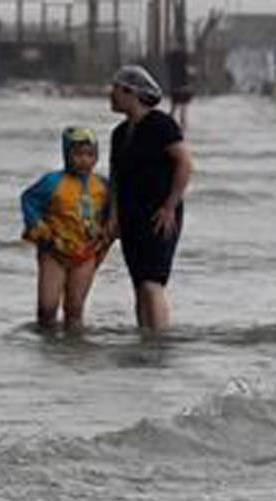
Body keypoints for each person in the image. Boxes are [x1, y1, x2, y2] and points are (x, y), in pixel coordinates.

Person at [107, 65, 193, 333]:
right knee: (138, 284)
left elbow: (184, 163)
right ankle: (144, 339)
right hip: (130, 216)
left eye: (116, 89)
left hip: (159, 215)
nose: (110, 95)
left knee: (151, 281)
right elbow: (115, 178)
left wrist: (170, 206)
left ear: (131, 92)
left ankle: (159, 342)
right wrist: (113, 216)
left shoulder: (161, 124)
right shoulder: (119, 133)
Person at [20, 127, 113, 331]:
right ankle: (48, 347)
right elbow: (28, 200)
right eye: (77, 154)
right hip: (54, 251)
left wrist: (107, 231)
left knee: (74, 308)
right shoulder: (52, 182)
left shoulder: (103, 185)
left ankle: (73, 352)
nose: (84, 160)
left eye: (90, 155)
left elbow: (113, 210)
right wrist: (37, 226)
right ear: (66, 154)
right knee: (47, 307)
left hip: (85, 253)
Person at [165, 48, 195, 129]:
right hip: (183, 86)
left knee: (174, 106)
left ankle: (171, 121)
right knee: (183, 106)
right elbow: (188, 73)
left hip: (174, 86)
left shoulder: (171, 62)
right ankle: (182, 122)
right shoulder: (183, 62)